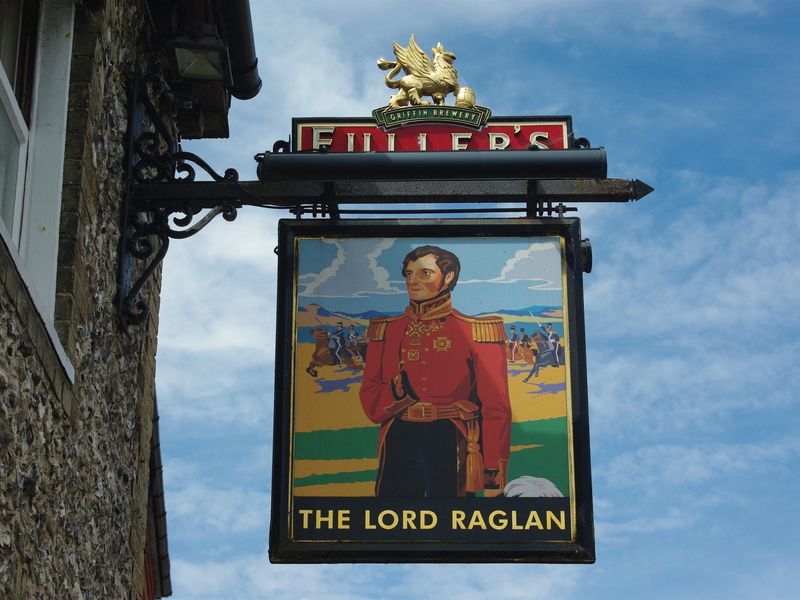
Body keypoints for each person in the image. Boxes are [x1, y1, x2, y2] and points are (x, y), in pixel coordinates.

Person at [360, 245, 511, 497]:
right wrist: (396, 392)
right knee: (392, 525)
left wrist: (492, 473)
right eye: (409, 274)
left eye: (425, 273)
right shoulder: (386, 331)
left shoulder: (477, 332)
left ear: (448, 277)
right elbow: (370, 402)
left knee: (451, 527)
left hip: (451, 438)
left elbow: (496, 407)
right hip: (398, 437)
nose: (413, 281)